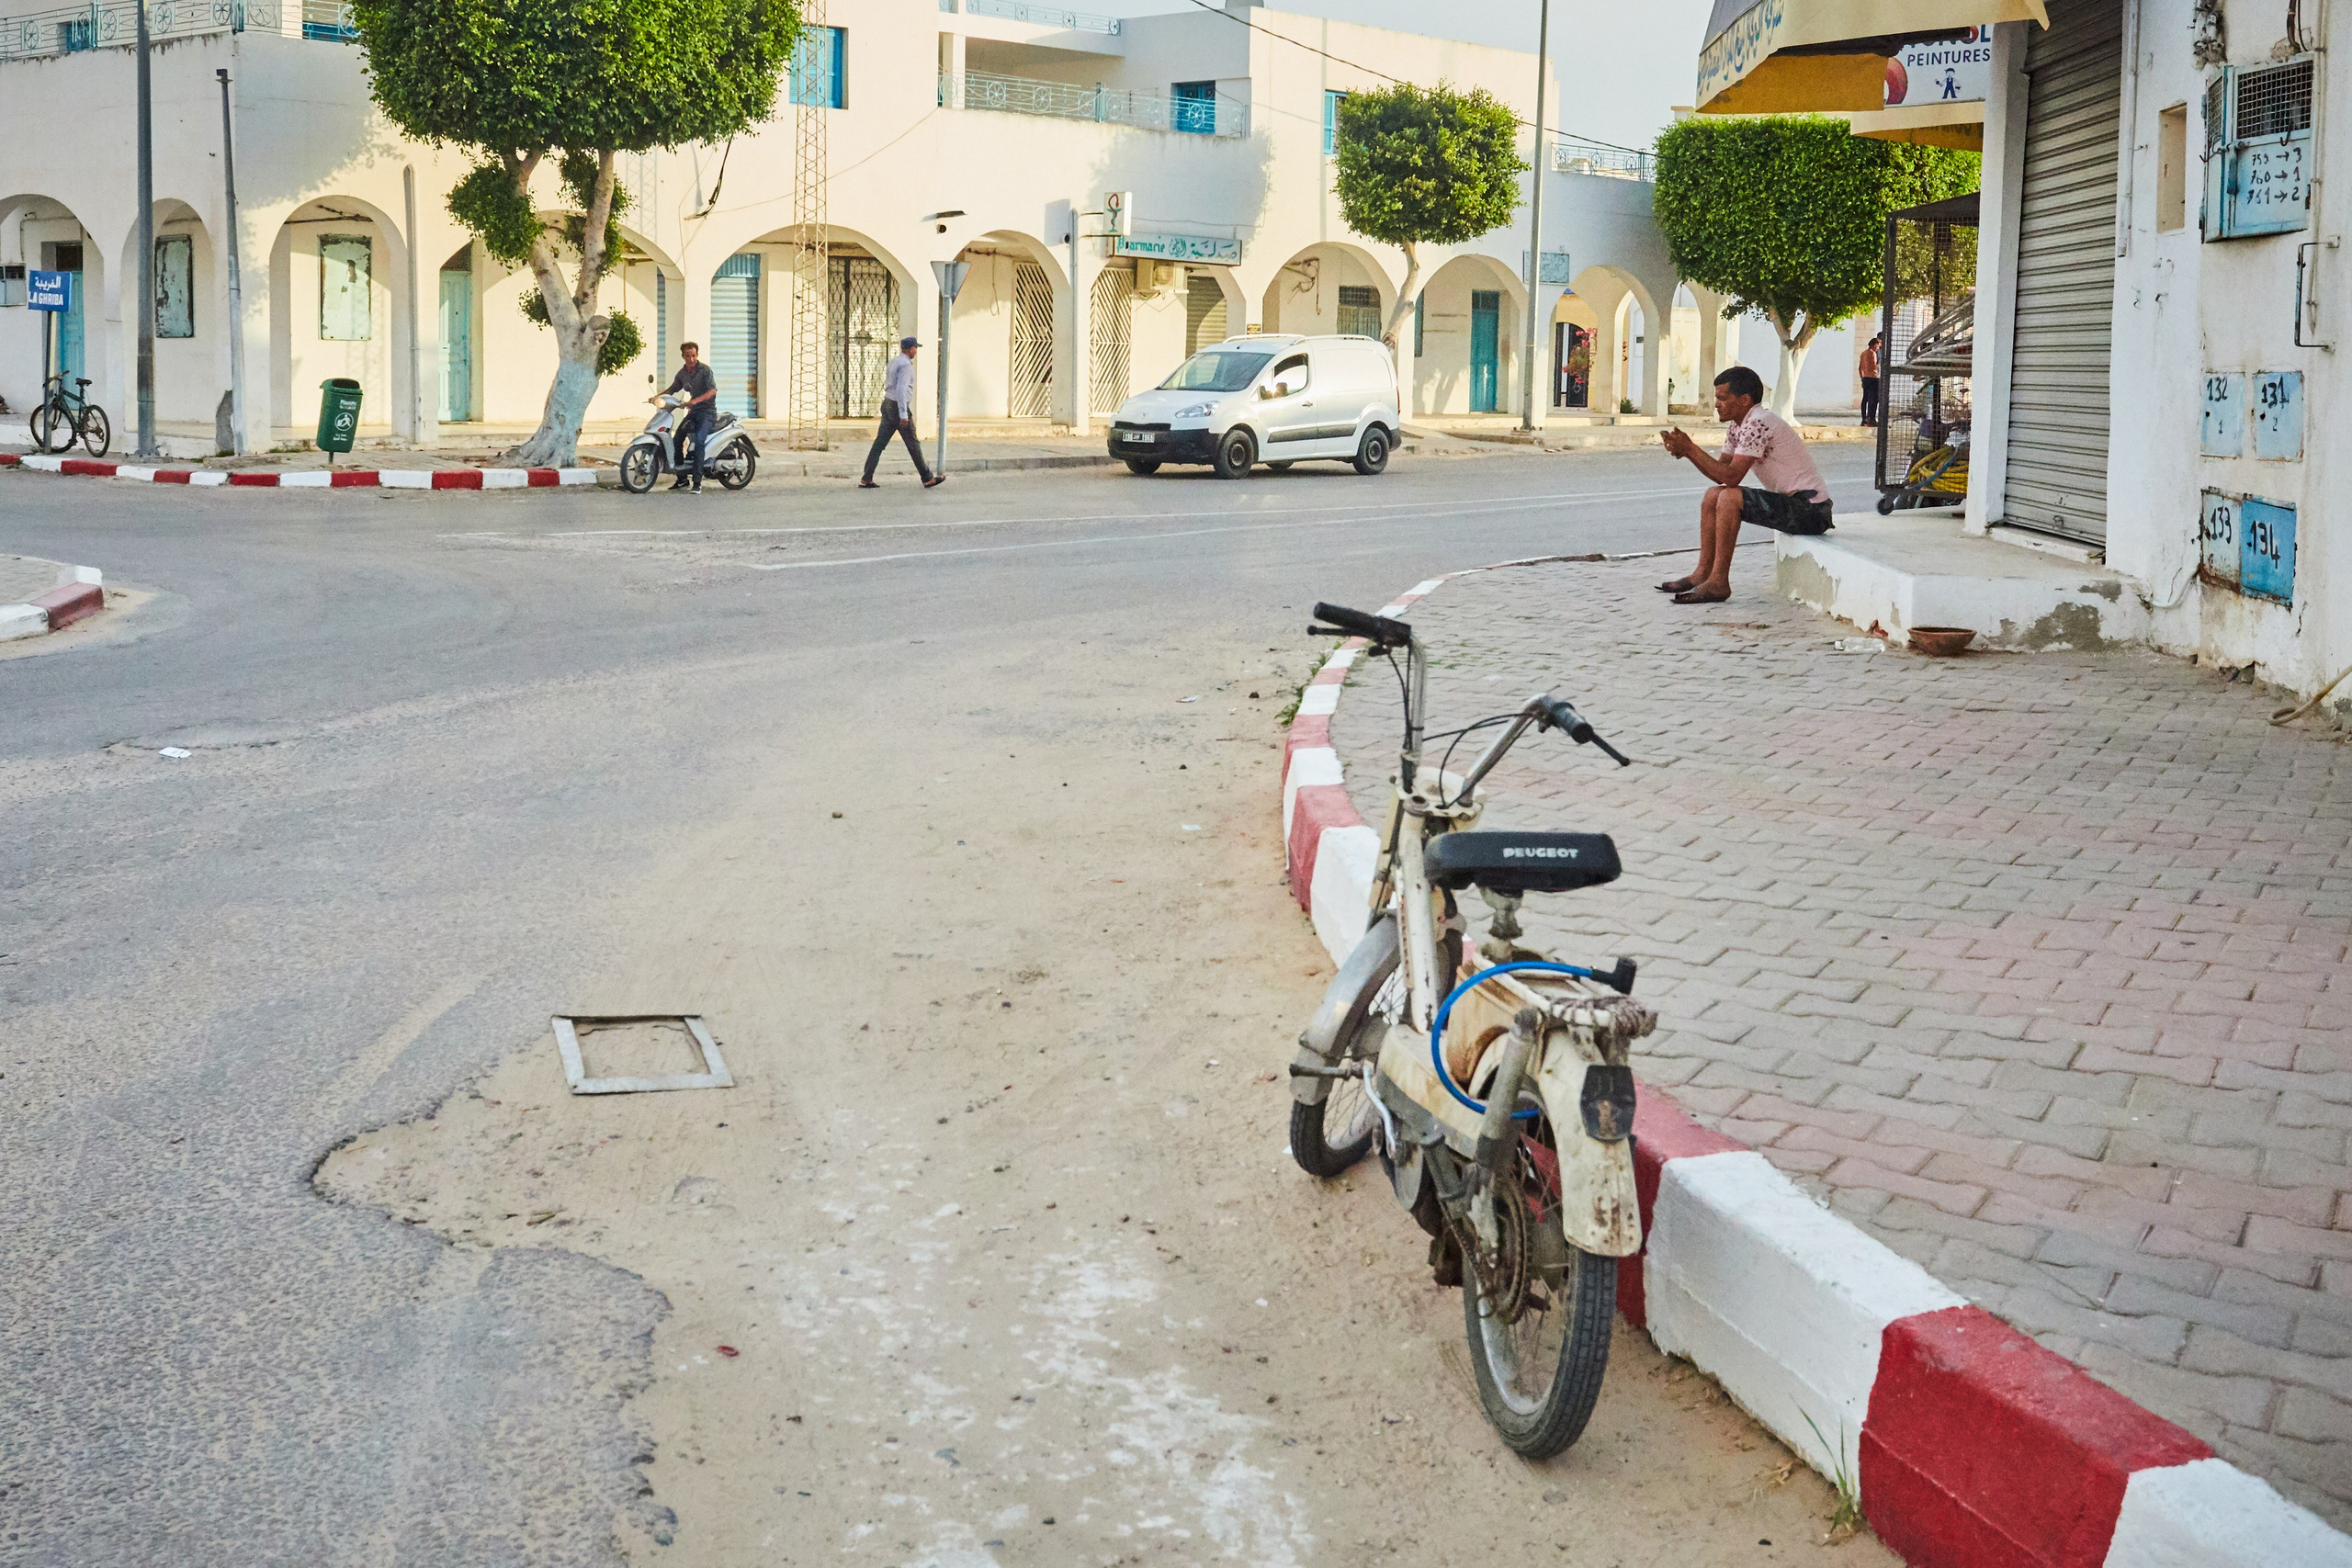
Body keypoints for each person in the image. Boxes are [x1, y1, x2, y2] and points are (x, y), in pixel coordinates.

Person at [1655, 366, 1834, 604]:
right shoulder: (1738, 425)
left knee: (1730, 497)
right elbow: (1720, 474)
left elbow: (1731, 478)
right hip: (1793, 505)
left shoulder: (1759, 422)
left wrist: (1690, 449)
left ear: (1744, 400)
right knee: (1713, 495)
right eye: (1716, 398)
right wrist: (1688, 453)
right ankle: (1703, 573)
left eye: (1723, 398)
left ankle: (1719, 582)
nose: (1717, 404)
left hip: (1811, 511)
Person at [860, 336, 944, 490]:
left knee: (879, 443)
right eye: (915, 348)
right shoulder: (906, 366)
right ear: (911, 349)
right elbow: (901, 390)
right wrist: (903, 414)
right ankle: (927, 478)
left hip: (887, 403)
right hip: (898, 407)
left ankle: (867, 477)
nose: (916, 351)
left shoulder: (894, 361)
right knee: (913, 443)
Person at [652, 341, 718, 493]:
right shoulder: (683, 373)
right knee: (676, 439)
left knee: (699, 441)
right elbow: (673, 388)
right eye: (688, 356)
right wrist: (656, 397)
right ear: (683, 356)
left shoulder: (705, 370)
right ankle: (682, 479)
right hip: (694, 412)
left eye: (693, 355)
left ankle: (697, 482)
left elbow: (712, 391)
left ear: (697, 355)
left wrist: (695, 400)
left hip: (707, 412)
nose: (691, 359)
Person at [1858, 333, 1883, 428]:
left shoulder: (1863, 353)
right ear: (1874, 345)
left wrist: (1862, 378)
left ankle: (1864, 418)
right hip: (1873, 378)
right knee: (1874, 399)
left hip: (1865, 378)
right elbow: (1873, 367)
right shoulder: (1872, 353)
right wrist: (1880, 364)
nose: (1878, 348)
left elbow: (1860, 368)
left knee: (1865, 399)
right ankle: (1871, 418)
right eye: (1877, 345)